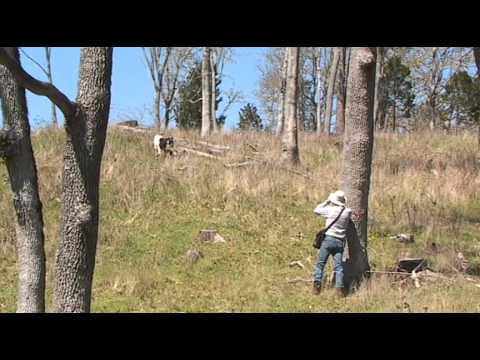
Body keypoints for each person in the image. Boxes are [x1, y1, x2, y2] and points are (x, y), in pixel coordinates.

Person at [312, 190, 352, 297]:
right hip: (339, 242)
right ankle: (339, 289)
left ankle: (317, 287)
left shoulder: (330, 210)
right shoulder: (347, 212)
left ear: (334, 200)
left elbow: (316, 210)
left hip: (328, 240)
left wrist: (327, 201)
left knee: (321, 264)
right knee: (339, 267)